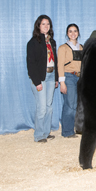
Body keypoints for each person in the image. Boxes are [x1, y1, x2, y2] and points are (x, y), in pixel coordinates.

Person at [26, 15, 58, 143]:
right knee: (42, 108)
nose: (46, 26)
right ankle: (39, 135)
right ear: (38, 26)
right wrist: (37, 81)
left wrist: (56, 78)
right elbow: (31, 63)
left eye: (48, 24)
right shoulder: (33, 42)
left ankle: (45, 132)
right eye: (43, 24)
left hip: (51, 76)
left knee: (49, 106)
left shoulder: (52, 42)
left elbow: (55, 61)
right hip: (40, 77)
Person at [57, 24, 83, 138]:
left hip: (79, 77)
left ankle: (77, 127)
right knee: (70, 104)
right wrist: (62, 82)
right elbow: (60, 65)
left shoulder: (81, 47)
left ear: (78, 33)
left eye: (75, 31)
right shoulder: (63, 48)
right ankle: (67, 131)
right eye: (70, 31)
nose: (73, 33)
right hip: (68, 76)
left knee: (78, 105)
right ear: (67, 34)